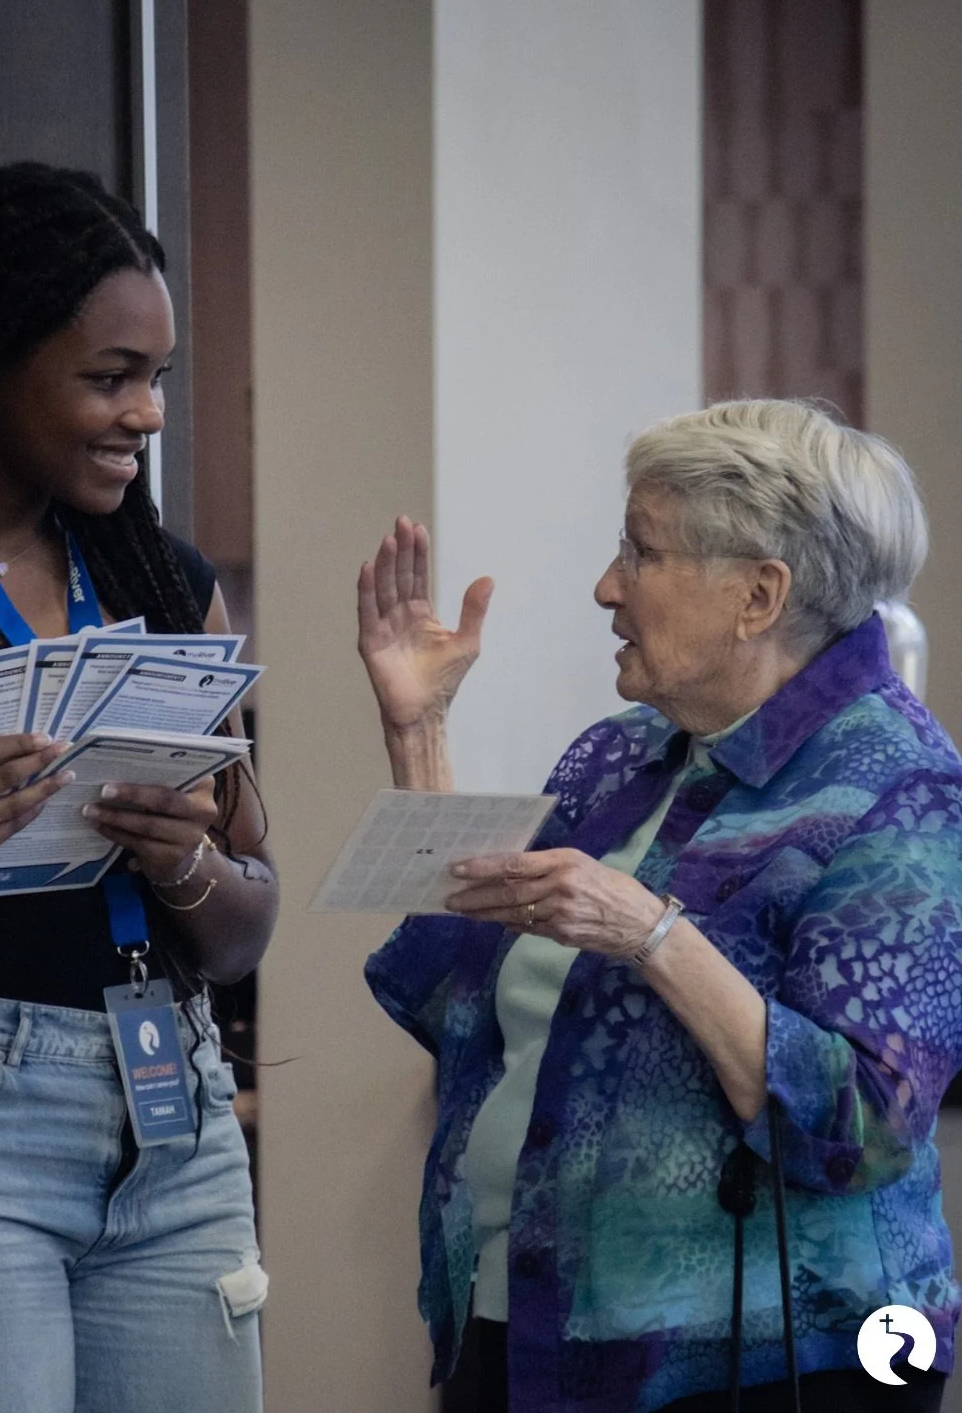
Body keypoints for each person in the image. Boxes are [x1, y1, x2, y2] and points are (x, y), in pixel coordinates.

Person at [358, 399, 962, 1413]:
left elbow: (866, 1123)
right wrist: (422, 736)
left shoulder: (903, 787)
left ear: (759, 595)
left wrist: (651, 934)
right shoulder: (619, 756)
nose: (606, 587)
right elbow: (462, 998)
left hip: (774, 1360)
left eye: (641, 553)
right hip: (528, 1320)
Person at [0, 164, 276, 1413]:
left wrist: (186, 864)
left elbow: (246, 925)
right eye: (110, 378)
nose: (148, 414)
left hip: (178, 1121)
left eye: (156, 378)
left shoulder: (165, 582)